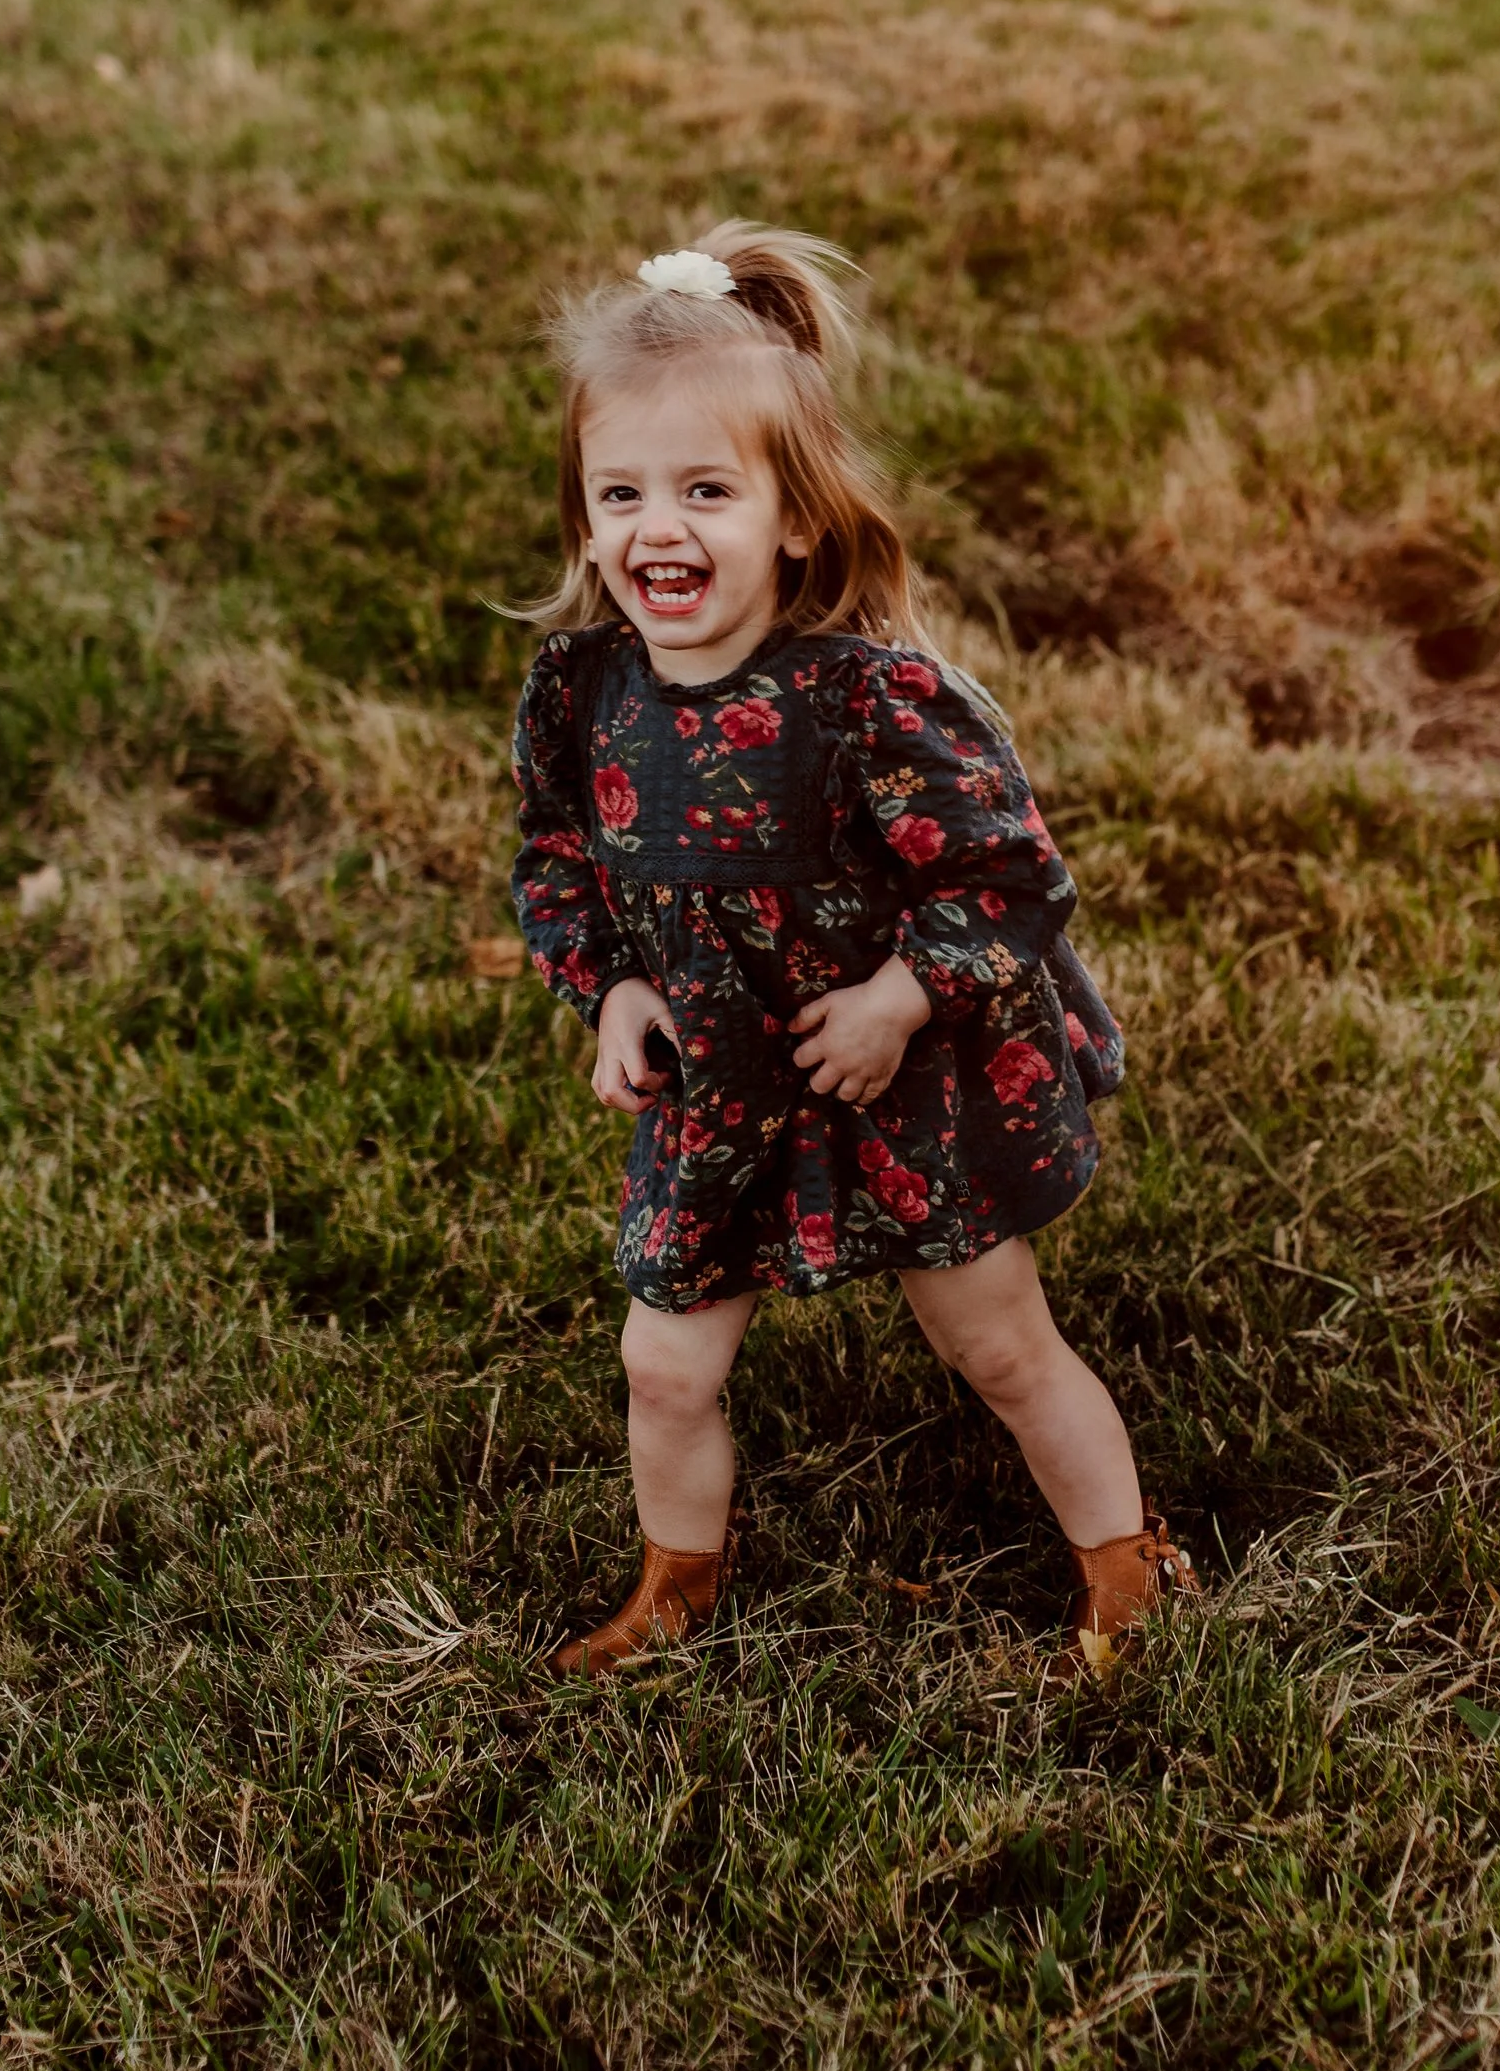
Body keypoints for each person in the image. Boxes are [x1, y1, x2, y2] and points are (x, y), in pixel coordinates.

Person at [508, 222, 1191, 1683]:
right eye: (620, 492)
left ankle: (1126, 1565)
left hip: (902, 1081)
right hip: (723, 1086)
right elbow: (556, 855)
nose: (657, 529)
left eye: (707, 491)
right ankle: (676, 1583)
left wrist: (898, 997)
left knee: (997, 1343)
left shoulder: (870, 701)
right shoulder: (588, 694)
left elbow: (1009, 877)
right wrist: (611, 986)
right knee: (662, 1361)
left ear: (797, 516)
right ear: (583, 517)